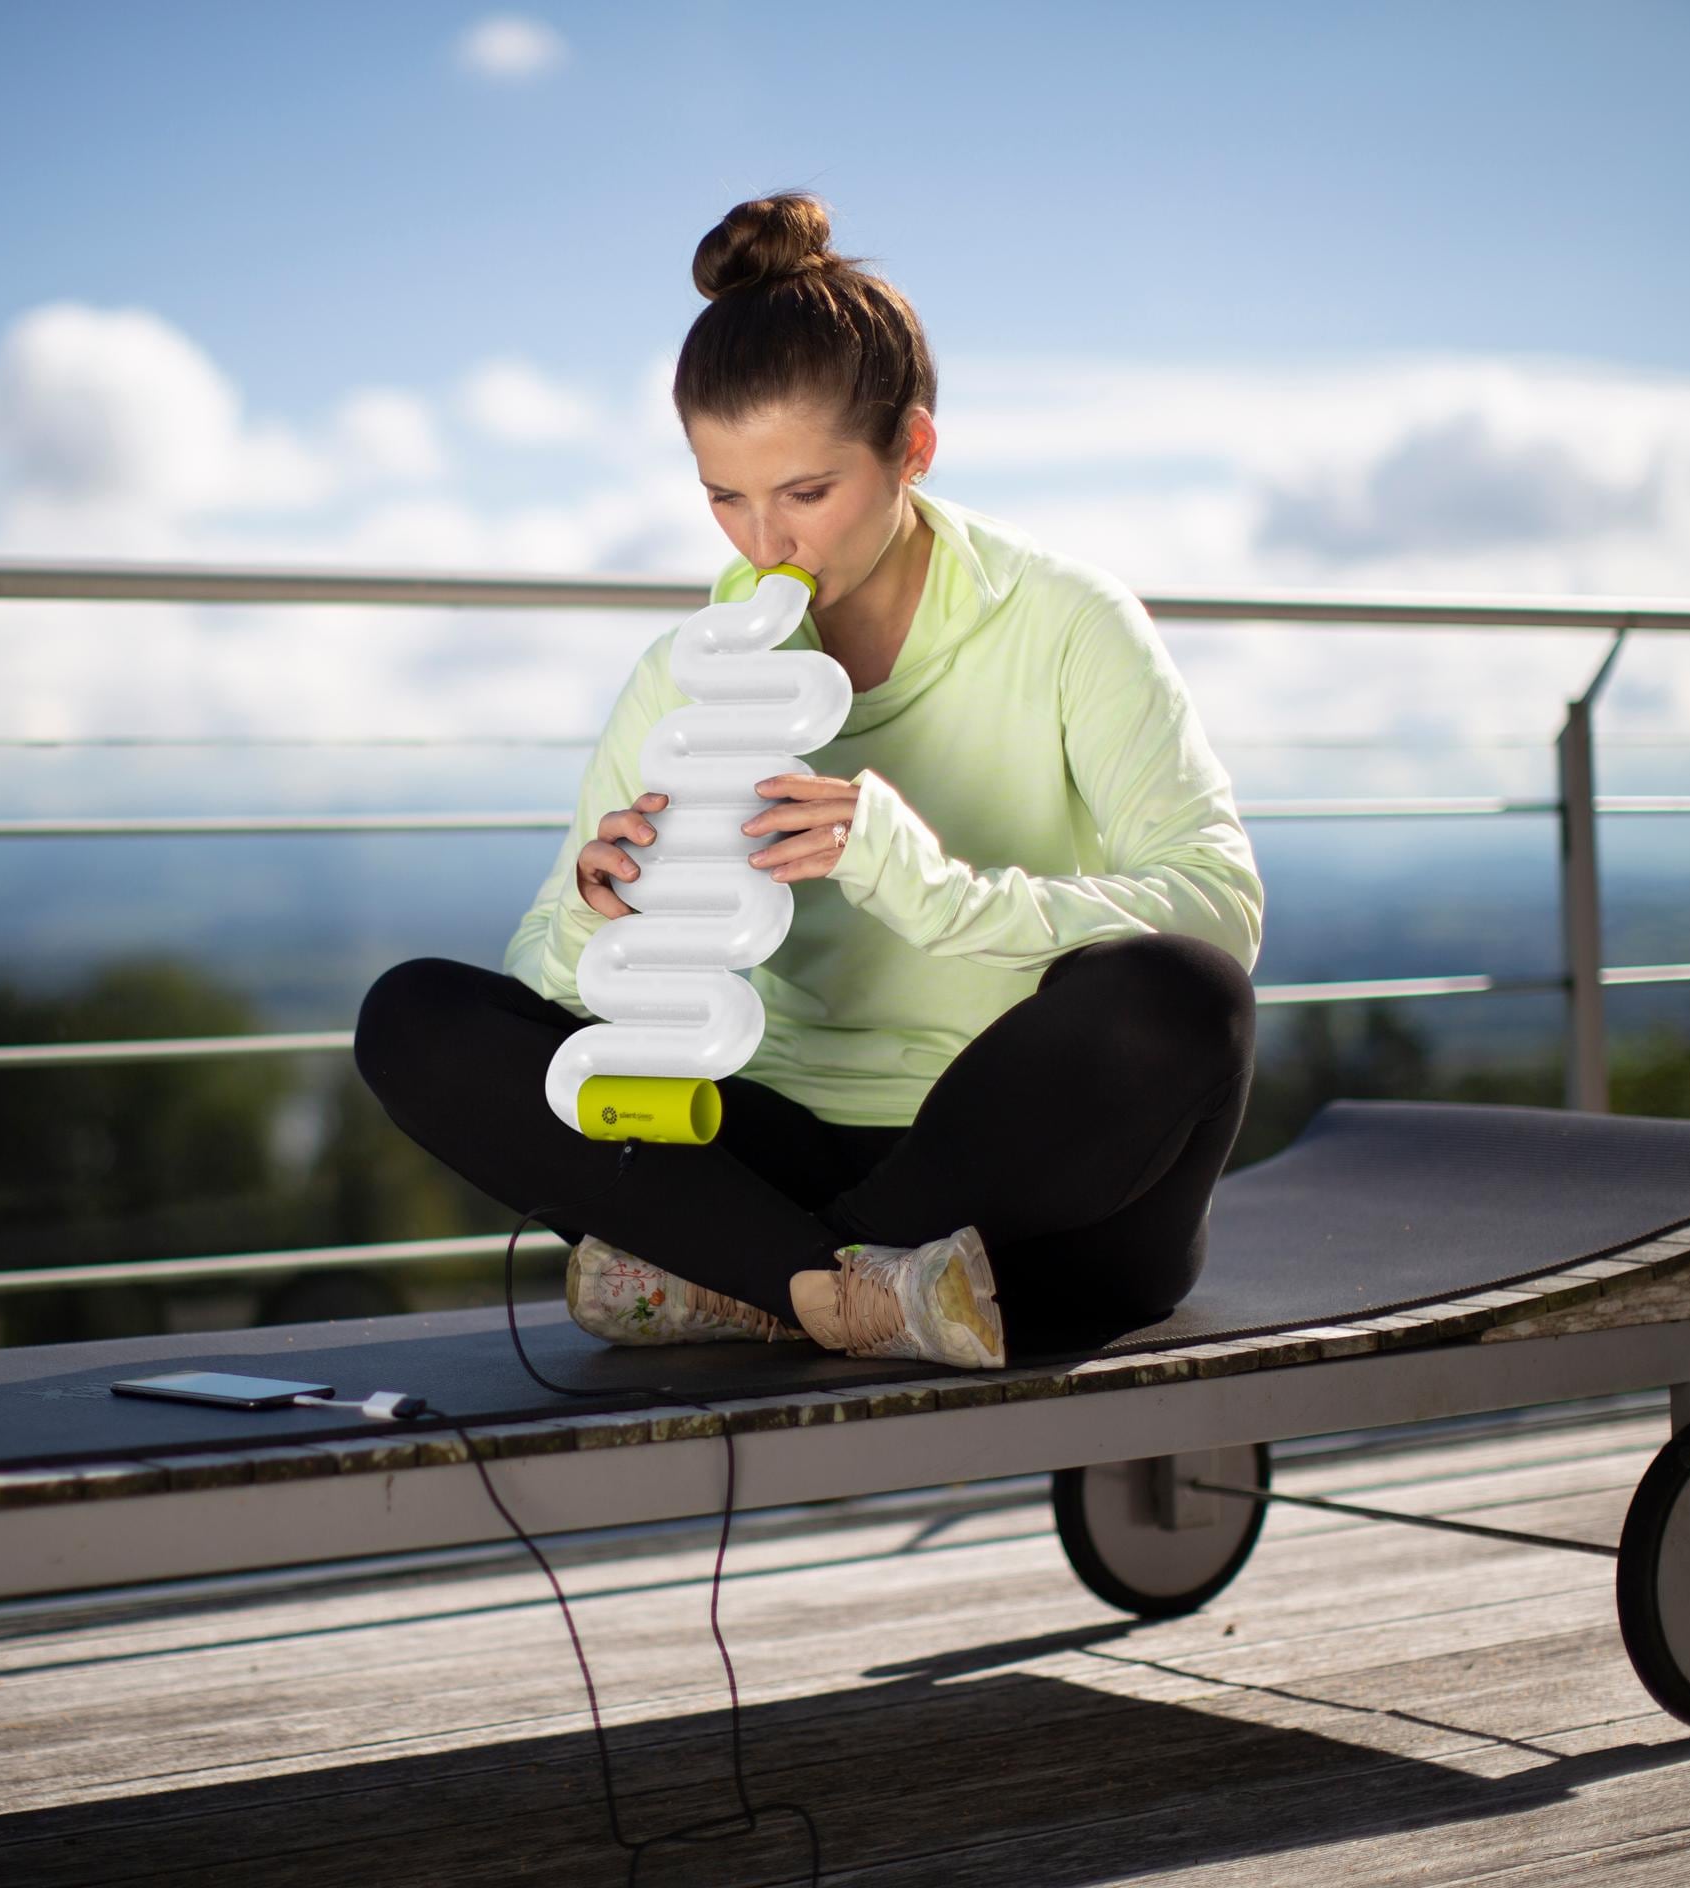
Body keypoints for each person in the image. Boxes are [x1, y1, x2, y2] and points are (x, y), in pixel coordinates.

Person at [352, 191, 1263, 1370]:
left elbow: (1221, 900)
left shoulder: (1067, 619)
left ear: (912, 452)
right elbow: (552, 986)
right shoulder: (688, 673)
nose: (764, 544)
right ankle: (852, 1292)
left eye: (806, 493)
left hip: (1023, 1190)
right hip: (768, 1143)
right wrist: (598, 910)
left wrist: (928, 886)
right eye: (725, 497)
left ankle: (747, 1280)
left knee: (1181, 996)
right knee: (415, 1016)